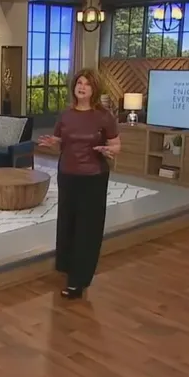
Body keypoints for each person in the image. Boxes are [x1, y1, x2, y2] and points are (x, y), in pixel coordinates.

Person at [36, 69, 122, 299]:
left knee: (87, 228)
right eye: (79, 83)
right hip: (67, 174)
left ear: (94, 89)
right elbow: (60, 140)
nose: (82, 87)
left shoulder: (104, 116)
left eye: (87, 84)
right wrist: (51, 142)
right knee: (68, 223)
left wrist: (109, 150)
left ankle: (79, 280)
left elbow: (116, 145)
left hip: (93, 177)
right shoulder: (66, 115)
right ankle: (67, 268)